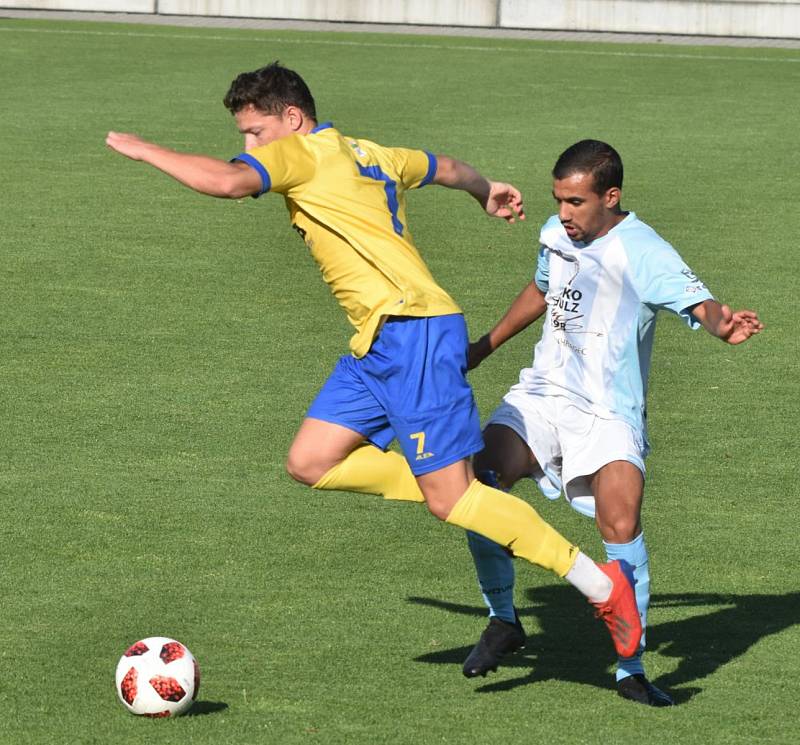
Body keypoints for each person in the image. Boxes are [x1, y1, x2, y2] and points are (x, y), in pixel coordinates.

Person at [105, 63, 643, 666]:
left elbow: (229, 184)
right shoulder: (369, 152)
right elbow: (442, 167)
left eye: (256, 132)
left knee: (452, 501)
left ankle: (604, 587)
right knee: (310, 461)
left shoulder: (302, 154)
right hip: (378, 342)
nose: (248, 147)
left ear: (292, 118)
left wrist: (142, 149)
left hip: (412, 332)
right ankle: (451, 482)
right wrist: (484, 188)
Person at [462, 139, 763, 705]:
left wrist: (726, 326)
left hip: (607, 411)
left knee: (620, 523)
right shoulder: (556, 232)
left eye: (576, 201)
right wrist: (483, 347)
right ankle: (504, 620)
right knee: (479, 484)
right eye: (559, 200)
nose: (565, 213)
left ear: (611, 196)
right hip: (545, 393)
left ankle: (632, 668)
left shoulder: (644, 252)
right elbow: (543, 286)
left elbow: (701, 306)